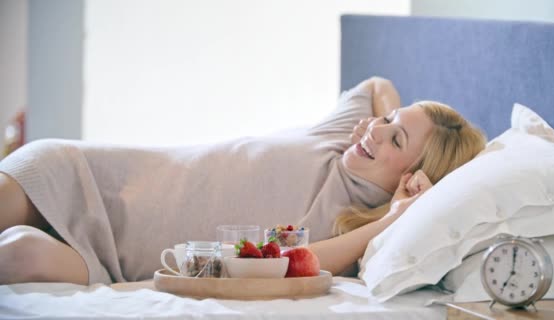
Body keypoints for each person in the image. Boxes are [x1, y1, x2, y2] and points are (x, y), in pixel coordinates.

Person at [0, 77, 486, 285]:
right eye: (386, 122)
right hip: (91, 175)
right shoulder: (340, 136)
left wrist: (397, 214)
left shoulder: (349, 231)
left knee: (18, 252)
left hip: (113, 261)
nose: (375, 131)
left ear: (413, 178)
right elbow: (378, 85)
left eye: (395, 139)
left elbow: (304, 263)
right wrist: (388, 125)